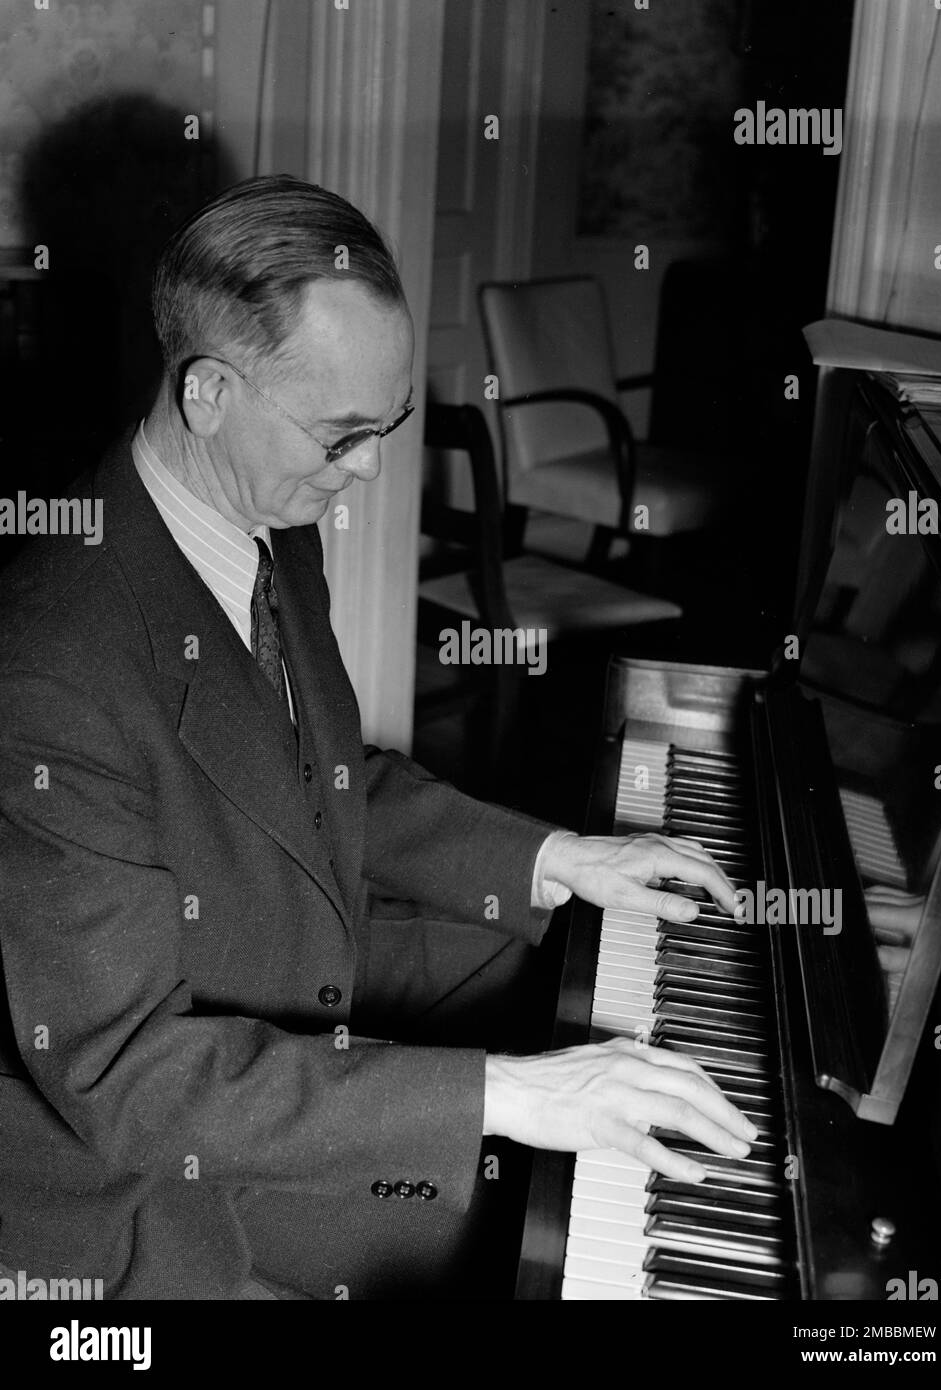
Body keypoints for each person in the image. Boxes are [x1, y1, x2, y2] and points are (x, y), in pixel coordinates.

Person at [0, 175, 756, 1300]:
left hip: (294, 984)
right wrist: (509, 1094)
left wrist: (560, 859)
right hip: (160, 1171)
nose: (369, 472)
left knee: (560, 963)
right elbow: (128, 1081)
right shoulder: (52, 662)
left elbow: (329, 773)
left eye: (386, 427)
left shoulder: (258, 511)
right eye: (345, 435)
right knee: (532, 1221)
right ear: (208, 393)